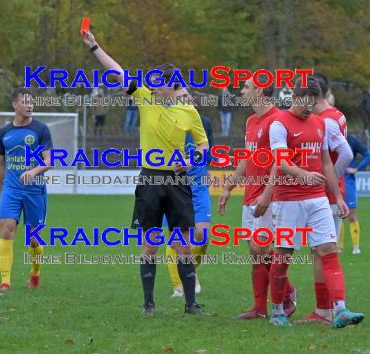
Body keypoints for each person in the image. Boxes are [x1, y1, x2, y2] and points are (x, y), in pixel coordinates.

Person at [82, 30, 209, 315]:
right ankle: (148, 304)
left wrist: (190, 159)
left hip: (176, 181)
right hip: (150, 178)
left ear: (169, 85)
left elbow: (203, 144)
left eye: (157, 81)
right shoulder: (144, 97)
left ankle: (191, 305)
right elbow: (117, 72)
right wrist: (95, 48)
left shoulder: (189, 111)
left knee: (183, 245)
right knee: (150, 245)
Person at [254, 76, 364, 328]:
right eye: (305, 103)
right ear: (293, 98)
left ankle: (340, 310)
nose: (309, 108)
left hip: (317, 200)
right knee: (283, 254)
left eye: (313, 103)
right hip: (288, 200)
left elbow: (326, 162)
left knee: (328, 250)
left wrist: (337, 196)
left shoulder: (319, 123)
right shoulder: (279, 124)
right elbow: (280, 162)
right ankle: (278, 311)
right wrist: (305, 175)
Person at [219, 77, 297, 320]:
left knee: (259, 247)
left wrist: (267, 193)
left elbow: (281, 162)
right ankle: (259, 308)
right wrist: (229, 187)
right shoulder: (251, 121)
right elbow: (246, 159)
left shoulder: (278, 120)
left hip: (270, 197)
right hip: (250, 197)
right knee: (255, 255)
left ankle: (288, 292)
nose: (242, 91)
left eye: (246, 87)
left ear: (259, 90)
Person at [298, 72, 353, 325]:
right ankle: (328, 309)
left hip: (327, 196)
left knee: (322, 252)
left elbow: (346, 154)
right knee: (322, 251)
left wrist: (329, 180)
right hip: (331, 193)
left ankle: (326, 310)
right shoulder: (337, 114)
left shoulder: (325, 121)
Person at [0, 88, 54, 292]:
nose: (30, 105)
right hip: (12, 188)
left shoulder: (41, 130)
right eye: (25, 102)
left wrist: (34, 171)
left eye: (32, 102)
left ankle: (35, 273)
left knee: (34, 238)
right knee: (7, 229)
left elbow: (49, 161)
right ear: (15, 104)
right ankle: (5, 281)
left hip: (34, 190)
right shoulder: (4, 132)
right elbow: (0, 164)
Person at [165, 89, 213, 298]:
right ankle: (179, 285)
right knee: (176, 238)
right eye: (181, 97)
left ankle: (189, 273)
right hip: (175, 185)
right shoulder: (167, 120)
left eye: (188, 96)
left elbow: (207, 152)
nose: (186, 100)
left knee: (202, 235)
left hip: (199, 186)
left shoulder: (204, 122)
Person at [340, 135, 370, 254]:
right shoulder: (330, 138)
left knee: (352, 215)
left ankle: (356, 247)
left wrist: (357, 168)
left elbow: (369, 156)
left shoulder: (352, 140)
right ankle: (339, 247)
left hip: (348, 182)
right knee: (337, 215)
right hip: (334, 181)